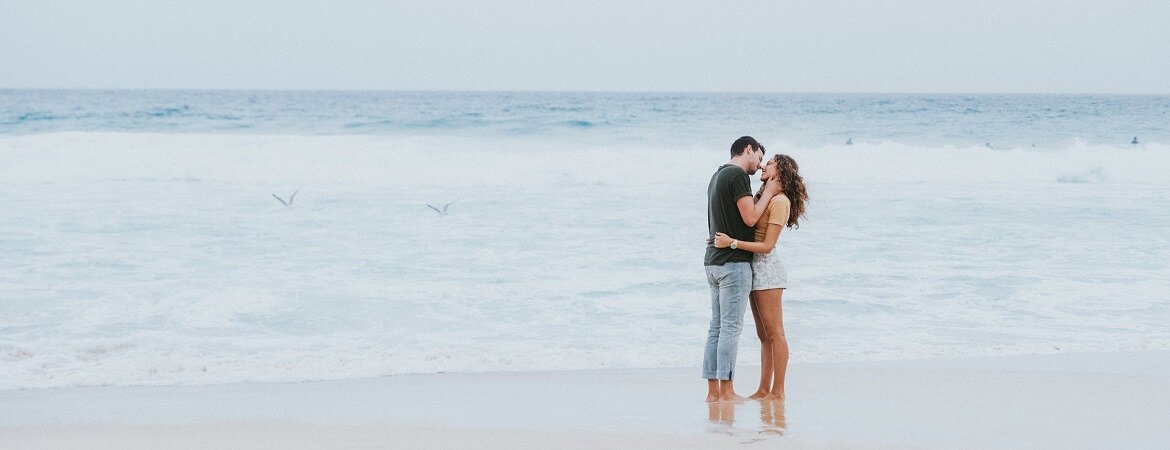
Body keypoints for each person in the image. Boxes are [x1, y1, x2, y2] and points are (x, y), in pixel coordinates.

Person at [713, 154, 808, 400]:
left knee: (776, 334)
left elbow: (767, 246)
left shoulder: (780, 202)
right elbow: (749, 221)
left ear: (779, 172)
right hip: (754, 269)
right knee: (763, 336)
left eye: (771, 163)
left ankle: (778, 391)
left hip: (768, 271)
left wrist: (732, 243)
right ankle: (763, 389)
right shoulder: (766, 197)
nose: (764, 165)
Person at [703, 136, 781, 402]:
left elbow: (722, 220)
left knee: (716, 327)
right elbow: (749, 217)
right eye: (759, 157)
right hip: (733, 264)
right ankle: (727, 391)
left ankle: (713, 392)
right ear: (748, 149)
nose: (760, 166)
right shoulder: (737, 176)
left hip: (712, 261)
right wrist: (769, 193)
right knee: (730, 328)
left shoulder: (717, 175)